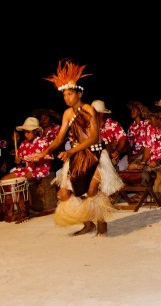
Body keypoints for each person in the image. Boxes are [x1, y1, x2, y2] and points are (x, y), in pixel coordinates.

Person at [29, 60, 123, 236]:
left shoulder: (89, 110)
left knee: (92, 190)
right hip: (77, 156)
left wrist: (72, 150)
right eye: (64, 95)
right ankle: (88, 223)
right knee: (64, 193)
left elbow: (94, 136)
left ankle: (101, 222)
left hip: (94, 153)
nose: (67, 98)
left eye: (70, 94)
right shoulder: (67, 114)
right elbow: (58, 139)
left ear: (79, 94)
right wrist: (43, 152)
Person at [92, 100, 129, 170]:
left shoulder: (113, 124)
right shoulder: (88, 125)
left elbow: (122, 139)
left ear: (101, 114)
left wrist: (117, 151)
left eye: (95, 113)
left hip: (108, 158)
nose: (92, 115)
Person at [125, 100, 151, 168]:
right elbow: (128, 145)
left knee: (131, 167)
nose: (131, 112)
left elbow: (146, 145)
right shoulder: (131, 127)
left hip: (143, 155)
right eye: (131, 110)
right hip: (132, 156)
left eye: (134, 110)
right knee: (120, 167)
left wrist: (136, 156)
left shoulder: (146, 124)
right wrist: (129, 156)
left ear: (139, 112)